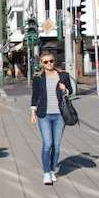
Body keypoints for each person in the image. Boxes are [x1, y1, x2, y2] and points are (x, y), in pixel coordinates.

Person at [30, 53, 72, 185]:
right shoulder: (38, 78)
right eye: (46, 62)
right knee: (48, 144)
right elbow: (35, 96)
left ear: (54, 61)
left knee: (57, 146)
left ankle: (52, 171)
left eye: (51, 61)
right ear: (42, 64)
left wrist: (65, 89)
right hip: (44, 115)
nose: (49, 64)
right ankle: (46, 173)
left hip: (60, 115)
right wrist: (33, 114)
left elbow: (70, 90)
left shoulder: (63, 76)